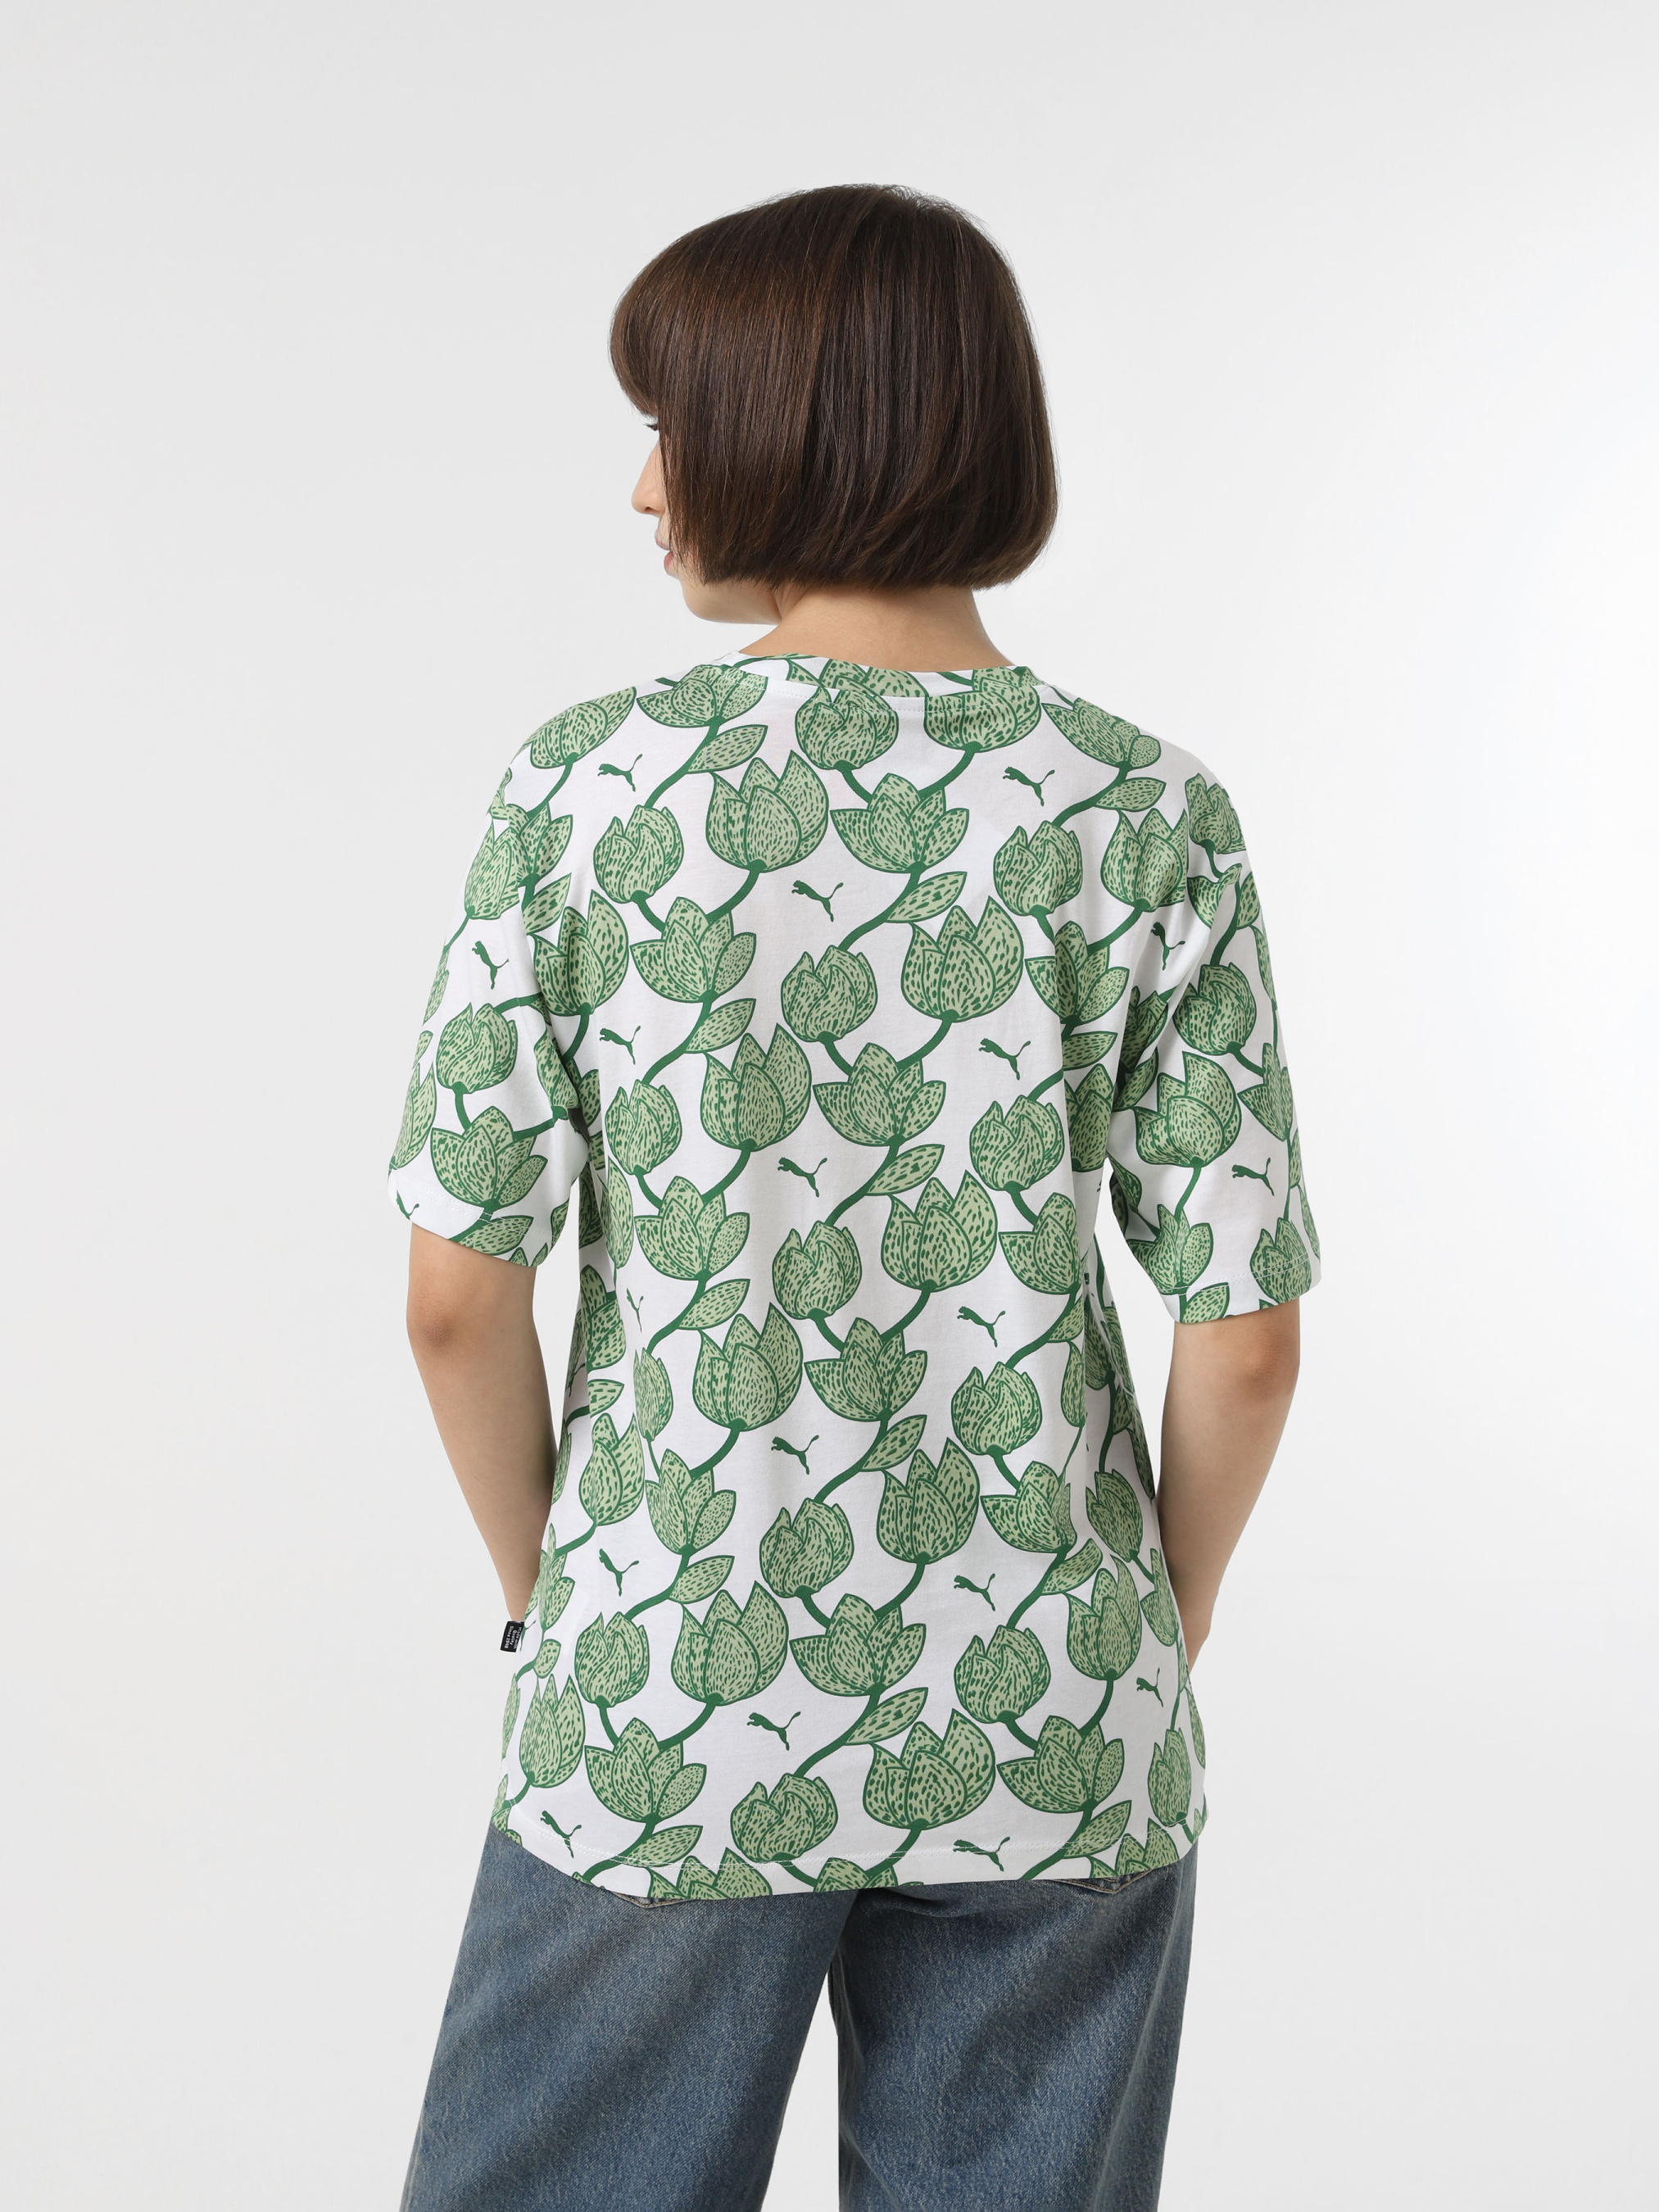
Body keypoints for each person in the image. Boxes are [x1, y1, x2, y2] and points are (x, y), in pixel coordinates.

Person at [388, 183, 1316, 2212]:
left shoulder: (587, 791)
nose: (646, 488)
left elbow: (456, 1293)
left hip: (668, 1696)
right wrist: (1142, 1630)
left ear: (787, 430)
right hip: (1052, 1703)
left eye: (667, 426)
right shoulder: (1144, 809)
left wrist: (564, 1604)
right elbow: (1241, 1335)